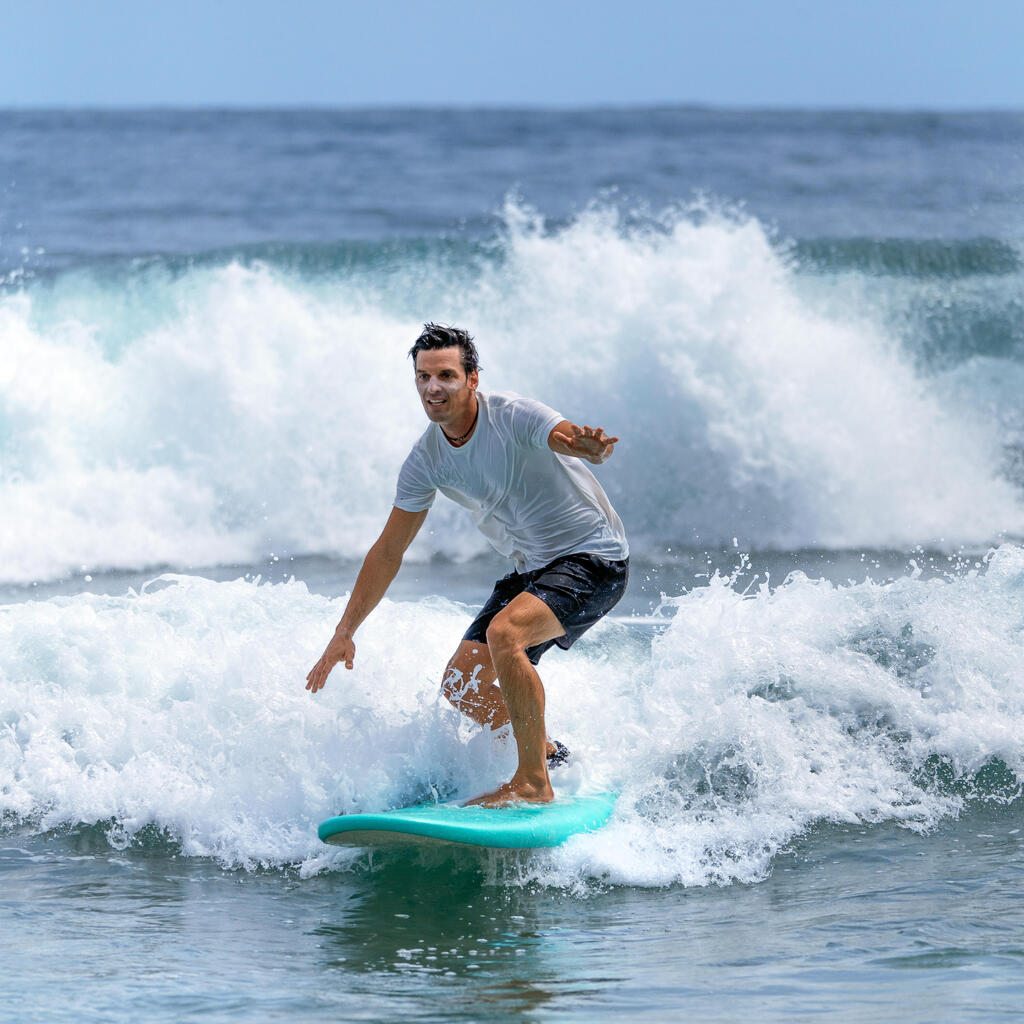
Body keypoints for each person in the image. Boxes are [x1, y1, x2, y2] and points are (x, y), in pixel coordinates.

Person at [305, 324, 628, 806]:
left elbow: (560, 436)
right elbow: (389, 551)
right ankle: (551, 756)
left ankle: (534, 783)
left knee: (505, 635)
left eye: (447, 376)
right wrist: (344, 630)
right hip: (533, 566)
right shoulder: (427, 459)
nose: (433, 388)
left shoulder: (513, 415)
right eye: (423, 377)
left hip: (594, 557)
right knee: (464, 685)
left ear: (472, 379)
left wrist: (587, 447)